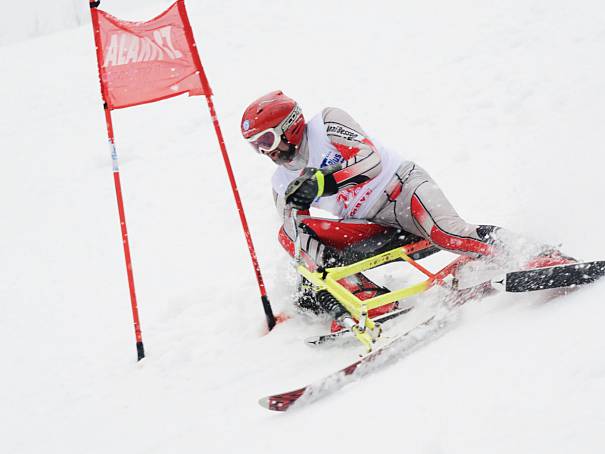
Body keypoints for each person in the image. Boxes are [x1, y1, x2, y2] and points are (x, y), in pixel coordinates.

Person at [240, 90, 572, 328]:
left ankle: (537, 255)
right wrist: (316, 281)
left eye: (267, 141)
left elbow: (368, 160)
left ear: (290, 126)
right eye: (256, 147)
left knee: (448, 234)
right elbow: (298, 238)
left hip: (404, 192)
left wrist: (325, 183)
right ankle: (367, 298)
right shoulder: (281, 181)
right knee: (289, 234)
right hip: (377, 228)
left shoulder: (326, 123)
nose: (265, 152)